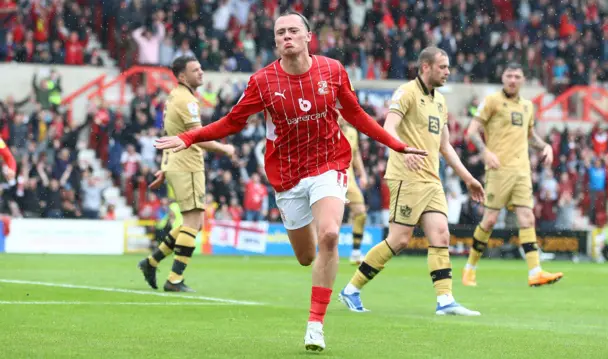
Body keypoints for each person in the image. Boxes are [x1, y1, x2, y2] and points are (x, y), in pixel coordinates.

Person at [154, 11, 425, 352]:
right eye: (280, 32)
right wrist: (190, 138)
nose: (286, 37)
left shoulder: (333, 70)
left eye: (293, 31)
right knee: (306, 256)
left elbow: (356, 115)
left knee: (329, 234)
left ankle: (315, 324)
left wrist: (397, 145)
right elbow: (232, 122)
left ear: (308, 37)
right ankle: (315, 259)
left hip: (328, 164)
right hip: (287, 176)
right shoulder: (263, 82)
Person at [338, 47, 484, 316]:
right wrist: (400, 149)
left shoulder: (440, 101)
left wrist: (469, 179)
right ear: (426, 67)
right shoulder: (406, 93)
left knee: (441, 234)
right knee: (399, 239)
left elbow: (446, 146)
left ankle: (445, 300)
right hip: (406, 177)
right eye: (443, 67)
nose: (448, 72)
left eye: (448, 67)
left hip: (431, 179)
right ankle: (351, 289)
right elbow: (389, 126)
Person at [138, 55, 235, 293]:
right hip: (187, 165)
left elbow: (170, 133)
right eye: (196, 69)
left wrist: (164, 166)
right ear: (183, 76)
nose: (201, 72)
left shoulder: (174, 97)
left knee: (194, 223)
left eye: (201, 68)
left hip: (176, 163)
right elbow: (197, 137)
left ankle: (150, 263)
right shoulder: (187, 101)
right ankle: (174, 280)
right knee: (192, 223)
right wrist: (225, 148)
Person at [462, 63, 564, 287]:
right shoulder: (491, 101)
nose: (513, 80)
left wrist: (545, 145)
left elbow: (530, 136)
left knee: (528, 218)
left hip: (522, 171)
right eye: (509, 75)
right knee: (489, 221)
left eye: (517, 76)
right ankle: (470, 268)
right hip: (499, 170)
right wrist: (485, 152)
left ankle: (535, 271)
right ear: (502, 77)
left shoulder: (527, 106)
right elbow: (471, 131)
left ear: (523, 80)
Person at [339, 116, 369, 264]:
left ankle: (356, 253)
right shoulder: (326, 129)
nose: (341, 116)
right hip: (330, 179)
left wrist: (362, 174)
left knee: (361, 213)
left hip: (349, 180)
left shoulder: (352, 132)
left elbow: (355, 154)